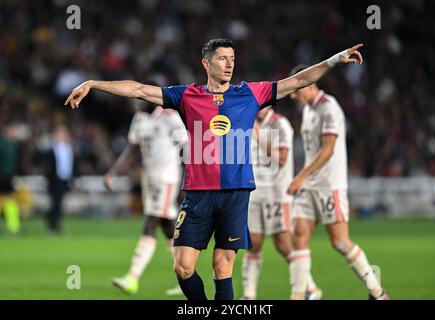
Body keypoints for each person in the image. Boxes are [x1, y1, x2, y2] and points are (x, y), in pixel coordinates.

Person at [65, 38, 364, 300]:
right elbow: (139, 90)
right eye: (222, 58)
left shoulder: (249, 94)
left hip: (235, 193)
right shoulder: (187, 96)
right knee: (182, 266)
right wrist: (92, 84)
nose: (229, 64)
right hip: (197, 195)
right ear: (206, 63)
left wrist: (336, 59)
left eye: (232, 59)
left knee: (223, 267)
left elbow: (298, 81)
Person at [287, 64, 389, 300]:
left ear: (309, 84)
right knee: (299, 235)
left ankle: (378, 291)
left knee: (340, 242)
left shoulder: (328, 108)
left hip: (329, 185)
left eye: (296, 89)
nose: (293, 95)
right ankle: (299, 295)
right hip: (309, 186)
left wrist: (301, 175)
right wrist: (304, 178)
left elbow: (329, 149)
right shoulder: (307, 110)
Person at [105, 99, 188, 296]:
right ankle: (187, 276)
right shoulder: (140, 119)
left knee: (151, 221)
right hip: (148, 179)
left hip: (167, 178)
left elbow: (187, 148)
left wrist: (188, 181)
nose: (138, 102)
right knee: (167, 227)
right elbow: (132, 150)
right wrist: (113, 172)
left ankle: (132, 278)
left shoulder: (170, 118)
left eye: (142, 98)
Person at [241, 106, 323, 299]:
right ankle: (249, 295)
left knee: (283, 244)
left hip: (277, 193)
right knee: (253, 243)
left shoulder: (281, 124)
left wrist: (259, 135)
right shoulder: (246, 124)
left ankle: (309, 288)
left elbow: (282, 159)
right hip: (253, 192)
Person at [43, 125, 75, 233]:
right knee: (55, 202)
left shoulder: (69, 148)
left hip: (65, 178)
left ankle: (54, 223)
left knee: (59, 202)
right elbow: (48, 166)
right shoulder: (53, 149)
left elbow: (70, 164)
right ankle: (53, 223)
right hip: (55, 179)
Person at [0, 124, 22, 235]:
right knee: (9, 200)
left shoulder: (14, 145)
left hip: (8, 177)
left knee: (10, 200)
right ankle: (13, 225)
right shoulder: (3, 144)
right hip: (2, 175)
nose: (14, 134)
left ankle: (13, 225)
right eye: (12, 131)